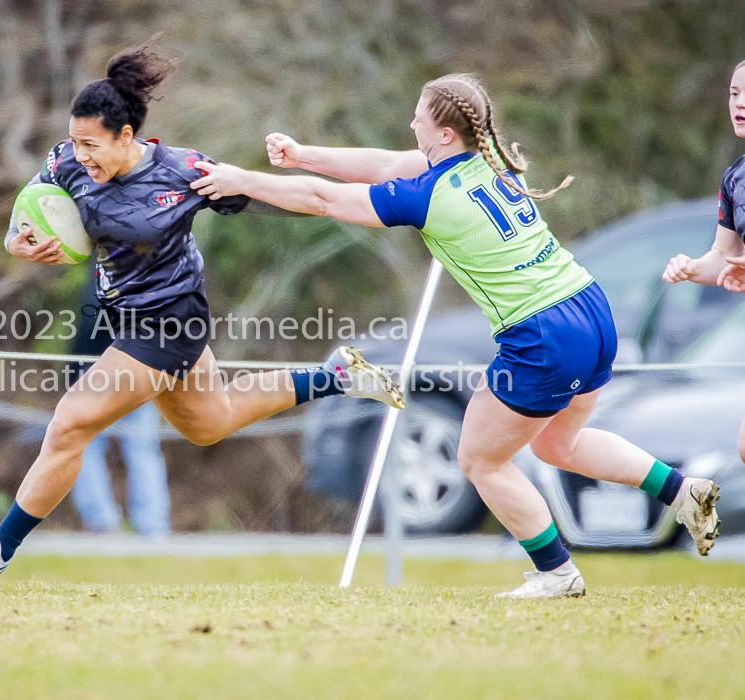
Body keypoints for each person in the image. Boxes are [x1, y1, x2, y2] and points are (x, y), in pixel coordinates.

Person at [191, 73, 720, 598]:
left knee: (480, 459)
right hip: (588, 306)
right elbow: (380, 163)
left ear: (445, 134)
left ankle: (557, 573)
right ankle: (681, 491)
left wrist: (244, 180)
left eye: (418, 118)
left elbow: (326, 201)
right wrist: (304, 153)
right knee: (563, 443)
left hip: (542, 331)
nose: (411, 124)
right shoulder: (484, 164)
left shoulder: (428, 194)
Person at [0, 36, 402, 578]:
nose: (79, 153)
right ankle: (336, 377)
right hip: (128, 320)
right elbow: (28, 216)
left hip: (170, 321)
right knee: (211, 422)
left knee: (69, 424)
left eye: (92, 144)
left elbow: (277, 198)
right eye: (74, 141)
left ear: (126, 136)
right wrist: (17, 243)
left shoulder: (181, 172)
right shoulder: (67, 162)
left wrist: (369, 199)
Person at [663, 58, 745, 464]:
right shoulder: (735, 178)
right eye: (733, 93)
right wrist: (692, 267)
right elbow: (725, 258)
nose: (738, 103)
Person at [69, 269, 171, 537]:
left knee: (90, 446)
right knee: (139, 447)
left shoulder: (107, 276)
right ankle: (148, 523)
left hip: (109, 371)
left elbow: (89, 329)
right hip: (130, 369)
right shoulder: (147, 273)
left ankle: (107, 521)